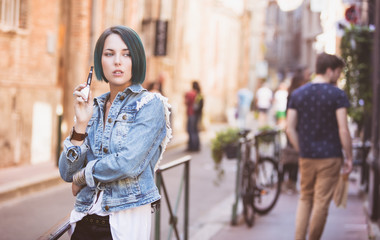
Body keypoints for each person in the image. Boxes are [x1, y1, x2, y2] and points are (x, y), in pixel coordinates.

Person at [59, 25, 172, 240]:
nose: (117, 61)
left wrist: (83, 177)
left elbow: (128, 163)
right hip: (84, 219)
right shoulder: (94, 107)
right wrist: (81, 126)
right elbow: (66, 172)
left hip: (123, 221)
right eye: (109, 54)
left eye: (126, 54)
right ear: (100, 61)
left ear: (136, 59)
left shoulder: (150, 104)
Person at [286, 53, 352, 240]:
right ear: (329, 70)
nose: (338, 76)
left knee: (305, 198)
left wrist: (301, 150)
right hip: (331, 156)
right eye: (338, 72)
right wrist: (349, 156)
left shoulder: (298, 94)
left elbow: (289, 128)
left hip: (307, 155)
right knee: (321, 202)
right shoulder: (337, 95)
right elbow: (343, 129)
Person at [282, 66, 310, 193]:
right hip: (295, 126)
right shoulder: (295, 94)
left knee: (293, 155)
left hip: (296, 126)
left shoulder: (294, 93)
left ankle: (290, 181)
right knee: (292, 155)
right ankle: (287, 181)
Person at [185, 81, 203, 151]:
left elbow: (186, 102)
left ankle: (192, 146)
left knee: (191, 130)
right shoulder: (199, 94)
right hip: (197, 114)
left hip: (191, 113)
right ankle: (196, 146)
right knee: (195, 130)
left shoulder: (190, 93)